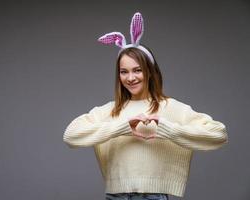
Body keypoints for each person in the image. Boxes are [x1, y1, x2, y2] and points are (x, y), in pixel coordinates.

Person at [63, 12, 228, 200]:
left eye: (137, 70)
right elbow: (70, 136)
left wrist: (168, 129)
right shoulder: (110, 110)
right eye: (124, 72)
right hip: (115, 196)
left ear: (150, 71)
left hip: (154, 196)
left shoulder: (169, 107)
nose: (130, 78)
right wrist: (123, 127)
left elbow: (219, 134)